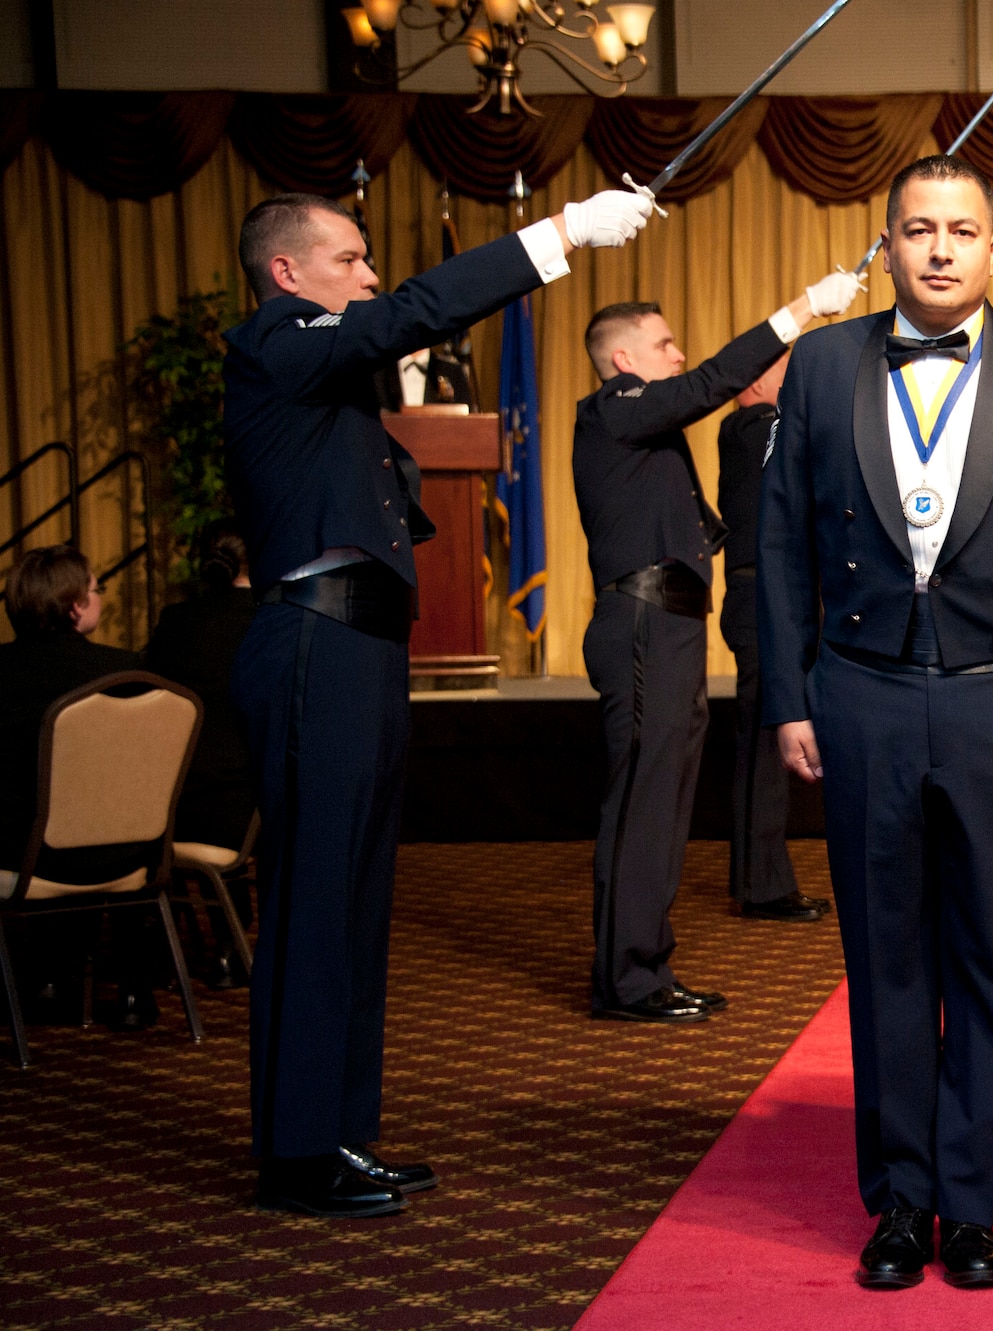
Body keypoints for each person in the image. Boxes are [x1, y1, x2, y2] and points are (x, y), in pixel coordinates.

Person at [226, 185, 656, 1219]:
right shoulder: (271, 341)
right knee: (316, 898)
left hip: (364, 645)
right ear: (288, 272)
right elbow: (412, 311)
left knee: (359, 898)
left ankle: (338, 1128)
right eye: (350, 259)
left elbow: (396, 331)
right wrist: (556, 235)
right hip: (313, 640)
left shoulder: (329, 372)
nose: (370, 275)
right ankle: (294, 1151)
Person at [759, 155, 993, 1289]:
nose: (940, 249)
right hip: (858, 695)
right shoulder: (818, 363)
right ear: (889, 243)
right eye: (917, 229)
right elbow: (773, 548)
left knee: (990, 959)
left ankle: (972, 1203)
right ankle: (899, 1200)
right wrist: (785, 693)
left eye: (961, 229)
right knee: (884, 964)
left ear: (991, 245)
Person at [574, 270, 861, 1023]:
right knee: (643, 807)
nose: (678, 355)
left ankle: (645, 966)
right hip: (643, 623)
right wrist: (800, 309)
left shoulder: (644, 430)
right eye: (663, 344)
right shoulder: (616, 408)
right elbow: (713, 382)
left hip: (669, 626)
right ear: (625, 361)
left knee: (661, 808)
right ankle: (628, 979)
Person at [0, 546, 146, 1026]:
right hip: (124, 857)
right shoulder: (132, 676)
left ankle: (40, 979)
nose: (99, 597)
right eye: (97, 588)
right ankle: (132, 991)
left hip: (26, 859)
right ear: (76, 605)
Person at [713, 352, 828, 923]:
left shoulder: (756, 430)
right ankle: (761, 884)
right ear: (757, 380)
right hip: (764, 600)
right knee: (764, 742)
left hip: (771, 597)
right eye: (788, 368)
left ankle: (764, 878)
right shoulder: (752, 428)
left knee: (768, 741)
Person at [144, 521, 261, 988]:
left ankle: (155, 952)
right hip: (242, 806)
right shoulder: (272, 622)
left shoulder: (175, 621)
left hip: (166, 806)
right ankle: (233, 945)